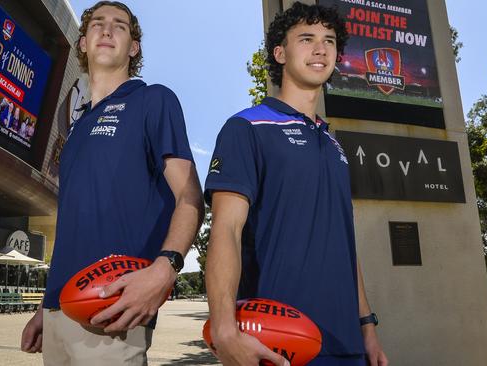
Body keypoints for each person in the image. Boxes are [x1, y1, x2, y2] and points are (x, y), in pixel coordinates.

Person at [204, 3, 388, 366]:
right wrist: (225, 328)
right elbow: (226, 229)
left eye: (329, 41)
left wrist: (367, 328)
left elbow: (344, 245)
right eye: (306, 39)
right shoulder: (246, 128)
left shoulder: (333, 145)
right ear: (280, 53)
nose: (320, 49)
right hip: (278, 340)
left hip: (347, 342)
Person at [20, 2, 204, 365]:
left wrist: (166, 267)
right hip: (59, 310)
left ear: (133, 47)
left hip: (113, 306)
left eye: (119, 26)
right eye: (97, 24)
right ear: (84, 43)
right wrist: (45, 306)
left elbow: (190, 195)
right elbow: (73, 225)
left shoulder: (153, 99)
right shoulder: (74, 131)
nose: (106, 30)